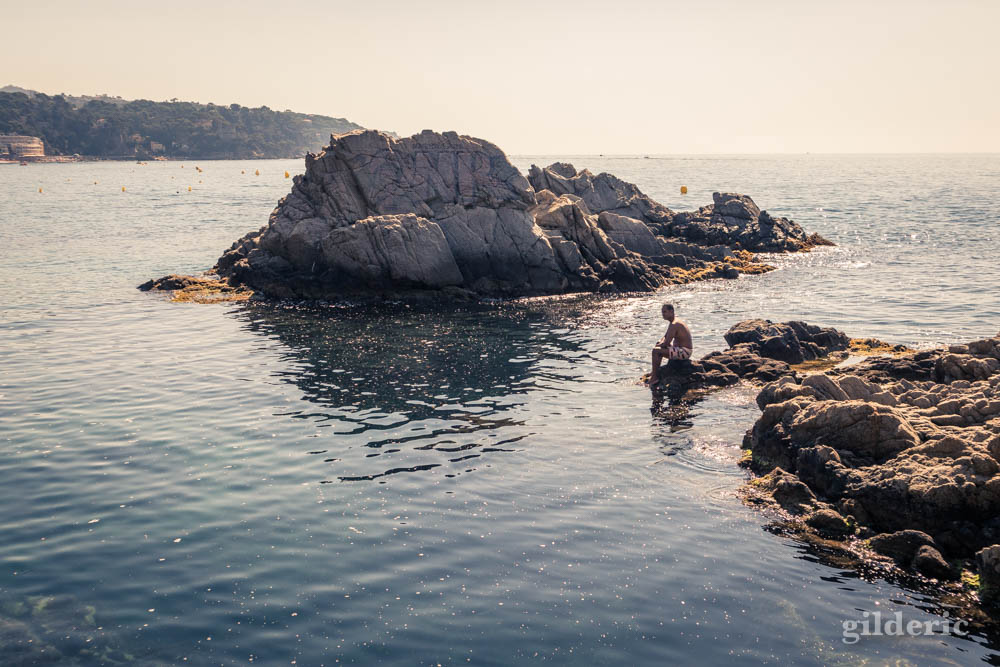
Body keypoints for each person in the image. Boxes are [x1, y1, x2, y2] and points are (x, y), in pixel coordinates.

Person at [649, 303, 693, 386]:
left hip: (684, 352)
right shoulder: (673, 322)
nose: (663, 314)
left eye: (665, 312)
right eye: (662, 312)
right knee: (657, 347)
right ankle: (654, 372)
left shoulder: (674, 324)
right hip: (680, 349)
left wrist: (659, 346)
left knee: (656, 351)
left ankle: (654, 377)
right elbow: (665, 337)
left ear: (671, 311)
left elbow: (666, 343)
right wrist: (659, 342)